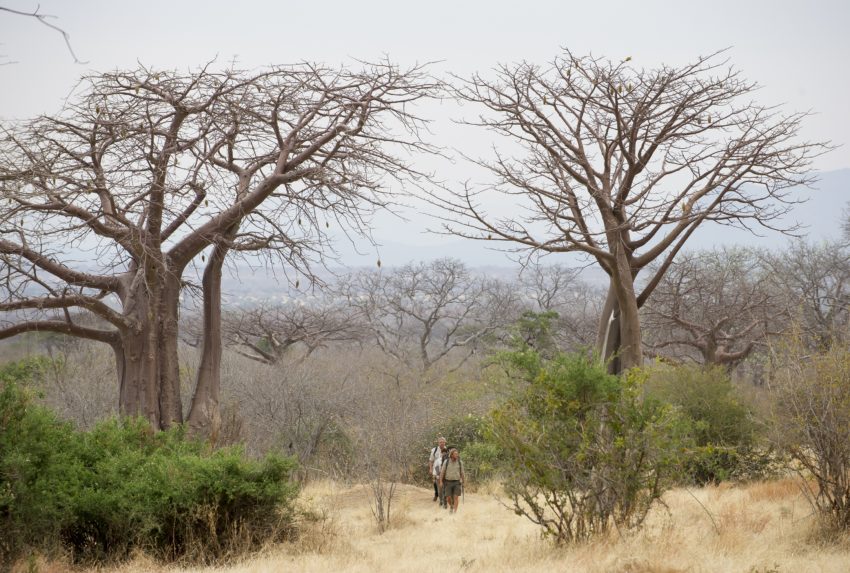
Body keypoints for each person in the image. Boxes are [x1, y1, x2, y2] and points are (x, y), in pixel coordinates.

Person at [439, 448, 464, 514]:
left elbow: (462, 473)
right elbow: (442, 472)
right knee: (448, 498)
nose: (457, 455)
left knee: (456, 497)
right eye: (455, 454)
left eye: (457, 454)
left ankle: (455, 512)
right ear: (451, 455)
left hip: (457, 482)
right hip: (448, 482)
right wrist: (441, 481)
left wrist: (463, 481)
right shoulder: (446, 462)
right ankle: (452, 506)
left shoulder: (460, 462)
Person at [428, 437, 448, 504]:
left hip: (444, 469)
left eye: (443, 442)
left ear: (445, 442)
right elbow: (431, 460)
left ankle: (443, 498)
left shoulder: (447, 450)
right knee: (435, 482)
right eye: (440, 442)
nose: (442, 443)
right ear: (438, 442)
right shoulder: (434, 450)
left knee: (444, 483)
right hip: (436, 469)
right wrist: (430, 469)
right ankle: (437, 494)